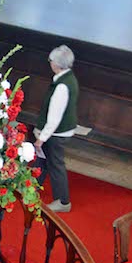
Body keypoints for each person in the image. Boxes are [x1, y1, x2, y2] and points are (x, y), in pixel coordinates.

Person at [34, 44, 78, 213]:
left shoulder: (61, 86)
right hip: (59, 131)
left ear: (58, 64)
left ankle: (63, 201)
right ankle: (32, 188)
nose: (50, 62)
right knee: (42, 161)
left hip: (56, 134)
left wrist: (41, 138)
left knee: (55, 164)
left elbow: (54, 118)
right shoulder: (69, 78)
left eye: (51, 60)